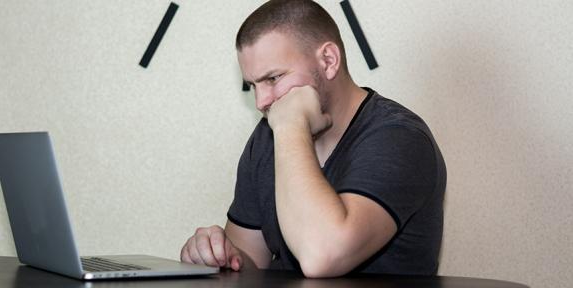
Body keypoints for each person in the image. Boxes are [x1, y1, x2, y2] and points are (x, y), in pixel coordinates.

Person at [180, 0, 446, 278]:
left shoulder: (400, 137)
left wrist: (291, 125)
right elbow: (248, 265)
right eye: (253, 85)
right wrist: (217, 253)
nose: (262, 101)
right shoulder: (267, 136)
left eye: (273, 78)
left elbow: (323, 256)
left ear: (328, 60)